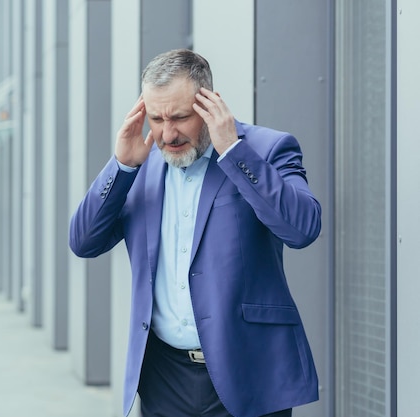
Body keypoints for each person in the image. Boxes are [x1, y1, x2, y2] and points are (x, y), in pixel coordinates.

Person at [69, 49, 321, 417]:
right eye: (156, 118)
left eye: (181, 117)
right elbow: (84, 241)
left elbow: (302, 229)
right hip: (163, 377)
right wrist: (121, 166)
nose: (168, 133)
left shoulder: (266, 149)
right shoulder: (141, 164)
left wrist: (234, 152)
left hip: (248, 370)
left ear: (209, 105)